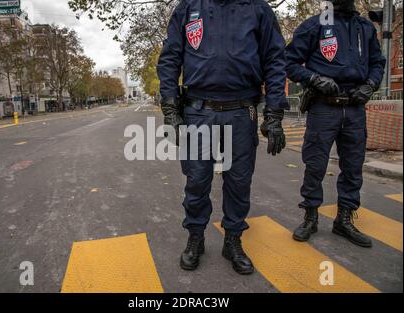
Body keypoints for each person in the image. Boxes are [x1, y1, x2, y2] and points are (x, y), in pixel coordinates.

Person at [157, 0, 288, 274]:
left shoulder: (258, 9)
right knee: (197, 181)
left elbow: (275, 61)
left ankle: (233, 240)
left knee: (239, 182)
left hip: (242, 111)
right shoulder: (188, 8)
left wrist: (274, 113)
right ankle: (195, 237)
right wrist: (170, 109)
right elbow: (170, 59)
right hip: (198, 111)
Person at [286, 0, 385, 247]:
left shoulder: (365, 27)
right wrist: (314, 79)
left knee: (353, 166)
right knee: (315, 165)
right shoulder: (314, 26)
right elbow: (288, 61)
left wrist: (370, 85)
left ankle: (344, 219)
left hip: (354, 107)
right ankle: (310, 217)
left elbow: (377, 63)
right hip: (324, 107)